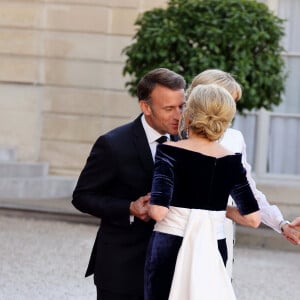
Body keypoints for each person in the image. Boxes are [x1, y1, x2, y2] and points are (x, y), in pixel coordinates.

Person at [72, 68, 186, 299]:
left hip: (173, 270)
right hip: (121, 269)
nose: (178, 115)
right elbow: (82, 196)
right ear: (146, 107)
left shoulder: (187, 142)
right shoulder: (113, 144)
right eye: (169, 108)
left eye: (181, 106)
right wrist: (129, 208)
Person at [144, 84, 261, 300]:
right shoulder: (231, 161)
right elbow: (253, 219)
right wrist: (216, 210)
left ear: (189, 114)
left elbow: (158, 212)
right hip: (213, 247)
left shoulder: (168, 151)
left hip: (170, 244)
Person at [185, 69, 300, 276]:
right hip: (179, 239)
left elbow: (249, 192)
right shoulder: (174, 139)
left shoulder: (234, 139)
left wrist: (281, 224)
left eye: (233, 103)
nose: (229, 111)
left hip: (221, 236)